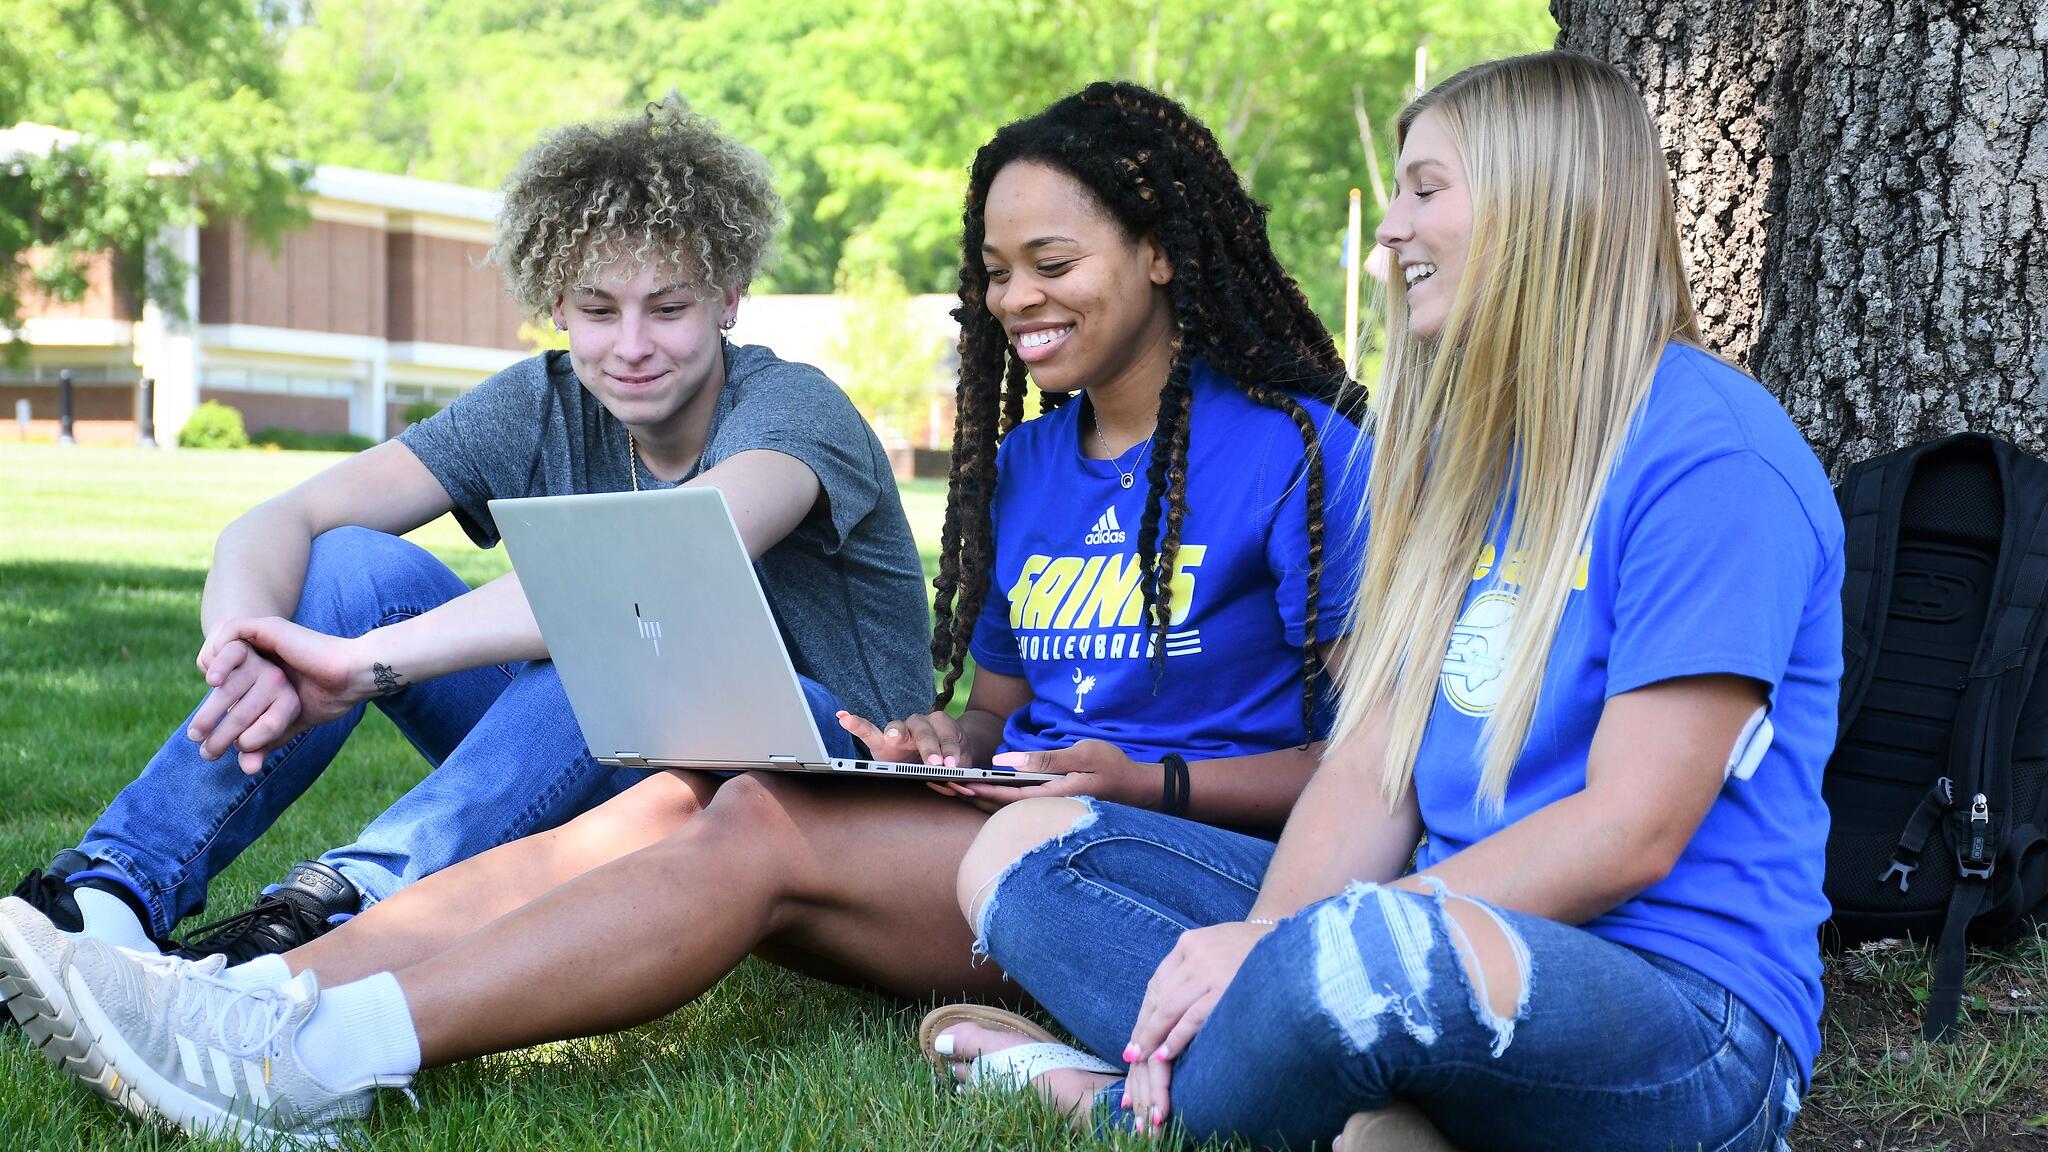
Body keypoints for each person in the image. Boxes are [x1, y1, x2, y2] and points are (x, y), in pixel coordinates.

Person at [0, 81, 1367, 1147]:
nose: (1013, 298)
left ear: (1164, 251)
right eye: (998, 269)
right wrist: (936, 740)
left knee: (695, 758)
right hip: (995, 825)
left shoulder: (1308, 456)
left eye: (1049, 262)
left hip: (1168, 863)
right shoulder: (1025, 468)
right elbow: (996, 715)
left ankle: (311, 1054)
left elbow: (1381, 770)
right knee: (685, 788)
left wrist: (1152, 774)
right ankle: (242, 1003)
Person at [928, 51, 1840, 1151]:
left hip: (1682, 1014)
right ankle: (1344, 1102)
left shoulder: (1708, 458)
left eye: (1424, 189)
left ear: (1539, 199)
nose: (1391, 231)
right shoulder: (1468, 457)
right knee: (1024, 855)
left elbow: (1630, 830)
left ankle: (1129, 1105)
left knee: (1358, 959)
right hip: (1431, 939)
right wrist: (1266, 938)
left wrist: (1282, 954)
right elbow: (1371, 766)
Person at [0, 97, 932, 983]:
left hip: (828, 790)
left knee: (626, 638)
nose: (633, 344)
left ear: (729, 299)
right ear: (558, 305)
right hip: (626, 769)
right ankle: (106, 896)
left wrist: (360, 665)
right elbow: (278, 521)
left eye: (670, 308)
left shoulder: (793, 407)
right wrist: (248, 643)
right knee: (355, 564)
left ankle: (342, 911)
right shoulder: (541, 403)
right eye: (600, 310)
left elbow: (650, 570)